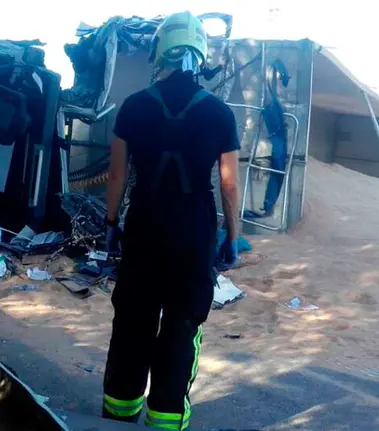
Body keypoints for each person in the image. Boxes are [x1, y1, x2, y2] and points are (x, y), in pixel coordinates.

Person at [101, 11, 241, 430]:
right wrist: (232, 237)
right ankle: (165, 420)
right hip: (194, 232)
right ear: (200, 55)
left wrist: (111, 225)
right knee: (181, 327)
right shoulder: (220, 112)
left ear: (159, 52)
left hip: (144, 225)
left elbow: (117, 175)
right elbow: (229, 186)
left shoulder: (135, 106)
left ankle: (116, 417)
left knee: (132, 323)